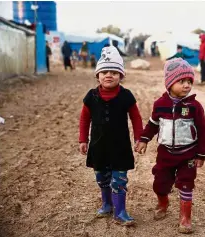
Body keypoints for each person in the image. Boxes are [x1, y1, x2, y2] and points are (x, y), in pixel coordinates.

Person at [136, 58, 205, 234]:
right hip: (165, 154)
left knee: (186, 183)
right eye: (182, 81)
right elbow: (153, 124)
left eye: (189, 81)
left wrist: (201, 154)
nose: (187, 85)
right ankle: (163, 203)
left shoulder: (194, 106)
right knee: (160, 183)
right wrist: (144, 139)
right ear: (169, 83)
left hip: (188, 154)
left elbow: (203, 130)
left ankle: (185, 217)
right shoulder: (160, 105)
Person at [78, 46, 143, 226]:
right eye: (104, 71)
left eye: (114, 72)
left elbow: (136, 118)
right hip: (98, 147)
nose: (109, 75)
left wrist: (140, 138)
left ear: (121, 76)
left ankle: (120, 211)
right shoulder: (91, 97)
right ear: (97, 75)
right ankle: (107, 204)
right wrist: (83, 140)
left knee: (119, 180)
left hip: (120, 147)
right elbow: (84, 119)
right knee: (102, 178)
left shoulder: (126, 96)